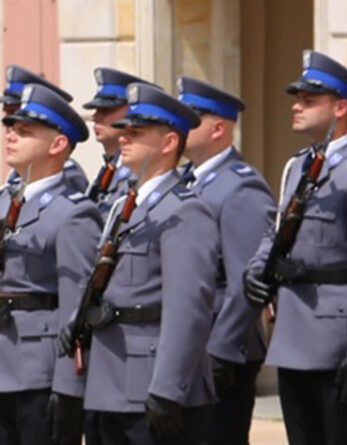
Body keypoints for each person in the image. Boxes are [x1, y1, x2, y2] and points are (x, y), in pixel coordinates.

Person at [243, 50, 347, 444]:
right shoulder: (297, 167)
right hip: (293, 335)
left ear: (340, 107)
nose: (297, 107)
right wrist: (257, 268)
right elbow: (278, 231)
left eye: (309, 101)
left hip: (335, 345)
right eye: (298, 99)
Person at [76, 83, 220, 444]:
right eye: (124, 131)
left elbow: (187, 309)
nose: (124, 139)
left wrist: (169, 388)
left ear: (169, 143)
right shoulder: (125, 207)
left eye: (136, 133)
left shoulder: (184, 211)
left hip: (152, 383)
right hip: (110, 380)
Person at [177, 75, 277, 444]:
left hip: (221, 351)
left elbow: (246, 280)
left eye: (192, 117)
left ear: (218, 128)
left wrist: (221, 350)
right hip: (193, 347)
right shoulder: (188, 181)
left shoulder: (239, 186)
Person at [0, 84, 100, 445]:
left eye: (24, 131)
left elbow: (76, 310)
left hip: (38, 374)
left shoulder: (73, 213)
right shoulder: (4, 201)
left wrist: (69, 386)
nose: (10, 135)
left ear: (57, 145)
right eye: (11, 127)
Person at [83, 68, 160, 218]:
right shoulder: (110, 169)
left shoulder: (138, 171)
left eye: (106, 110)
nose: (95, 117)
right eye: (96, 110)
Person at [1, 64, 89, 192]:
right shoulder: (18, 173)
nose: (10, 128)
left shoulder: (68, 173)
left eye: (15, 112)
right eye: (8, 113)